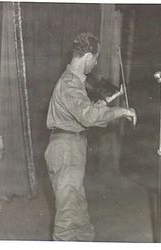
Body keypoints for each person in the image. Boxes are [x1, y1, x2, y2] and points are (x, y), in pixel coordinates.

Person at [44, 32, 137, 241]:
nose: (95, 64)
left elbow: (81, 112)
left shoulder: (74, 83)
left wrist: (105, 102)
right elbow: (87, 117)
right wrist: (122, 111)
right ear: (87, 57)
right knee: (68, 219)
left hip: (71, 147)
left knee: (78, 214)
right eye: (96, 58)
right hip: (66, 150)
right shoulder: (69, 84)